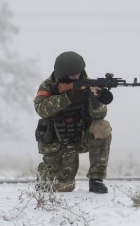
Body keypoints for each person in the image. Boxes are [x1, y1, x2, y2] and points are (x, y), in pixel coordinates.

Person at [34, 51, 113, 193]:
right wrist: (68, 97)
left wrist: (98, 97)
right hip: (58, 141)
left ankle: (96, 179)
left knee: (102, 126)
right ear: (62, 74)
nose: (77, 77)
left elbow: (100, 115)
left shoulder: (88, 84)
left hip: (81, 136)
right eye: (72, 75)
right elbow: (40, 109)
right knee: (64, 187)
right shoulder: (48, 86)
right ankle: (44, 172)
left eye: (78, 73)